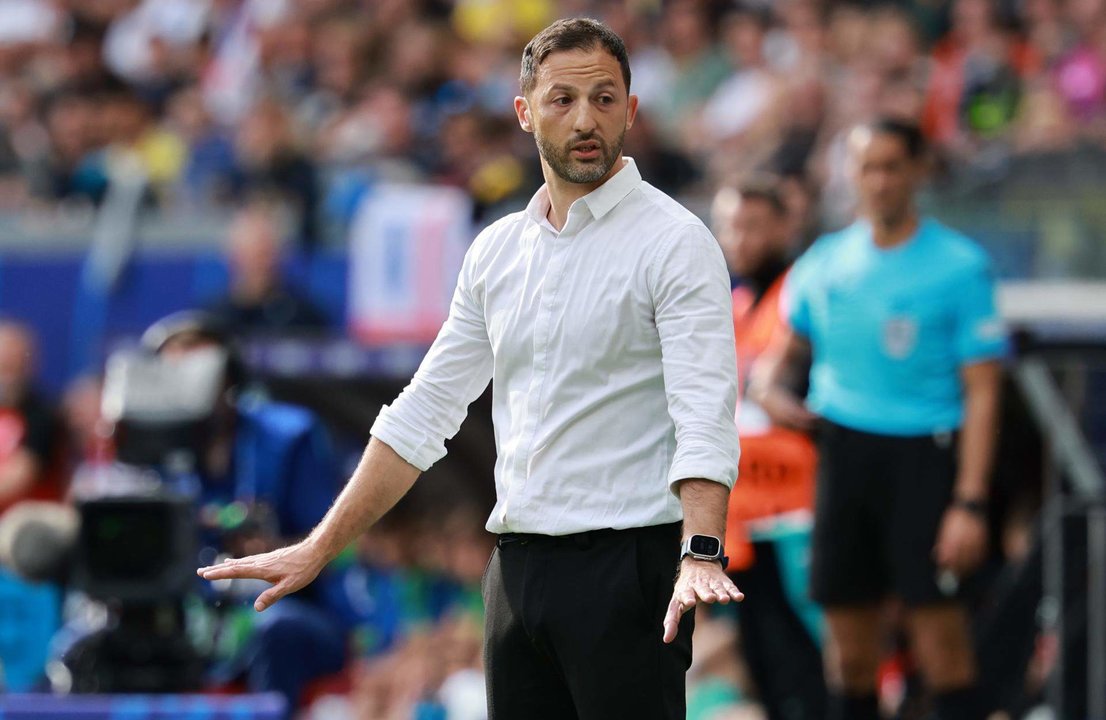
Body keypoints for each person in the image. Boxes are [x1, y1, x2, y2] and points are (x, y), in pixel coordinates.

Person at [200, 18, 743, 720]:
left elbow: (704, 409)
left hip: (630, 565)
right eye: (563, 99)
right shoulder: (494, 251)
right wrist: (318, 547)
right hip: (513, 569)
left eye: (606, 99)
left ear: (632, 112)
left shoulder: (676, 241)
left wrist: (701, 551)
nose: (586, 118)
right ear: (524, 113)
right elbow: (423, 412)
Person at [752, 118, 1005, 720]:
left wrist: (969, 503)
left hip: (927, 455)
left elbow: (985, 392)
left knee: (941, 643)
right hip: (844, 456)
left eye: (893, 166)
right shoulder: (826, 262)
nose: (880, 181)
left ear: (917, 171)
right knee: (848, 647)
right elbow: (780, 360)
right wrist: (769, 390)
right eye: (868, 167)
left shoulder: (960, 267)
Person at [139, 311, 346, 714]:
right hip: (188, 611)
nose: (188, 380)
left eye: (200, 367)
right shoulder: (148, 449)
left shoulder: (288, 435)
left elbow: (330, 541)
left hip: (288, 606)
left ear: (229, 374)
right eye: (174, 370)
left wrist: (276, 552)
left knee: (274, 628)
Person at [712, 178, 826, 720]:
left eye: (755, 225)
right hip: (744, 520)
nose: (741, 238)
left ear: (784, 227)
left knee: (815, 662)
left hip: (800, 514)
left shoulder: (804, 295)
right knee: (765, 666)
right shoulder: (735, 303)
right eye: (732, 226)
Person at [203, 205, 329, 335]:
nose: (266, 264)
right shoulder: (211, 319)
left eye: (270, 254)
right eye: (257, 256)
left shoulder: (304, 318)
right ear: (232, 259)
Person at [0, 320, 63, 517]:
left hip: (25, 522)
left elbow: (20, 476)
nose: (7, 374)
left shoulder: (42, 415)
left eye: (14, 363)